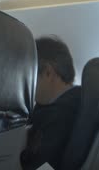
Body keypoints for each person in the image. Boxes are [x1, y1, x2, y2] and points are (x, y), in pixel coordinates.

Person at [20, 36, 81, 170]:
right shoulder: (74, 102)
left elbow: (43, 167)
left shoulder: (61, 114)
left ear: (48, 72)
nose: (26, 85)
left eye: (28, 76)